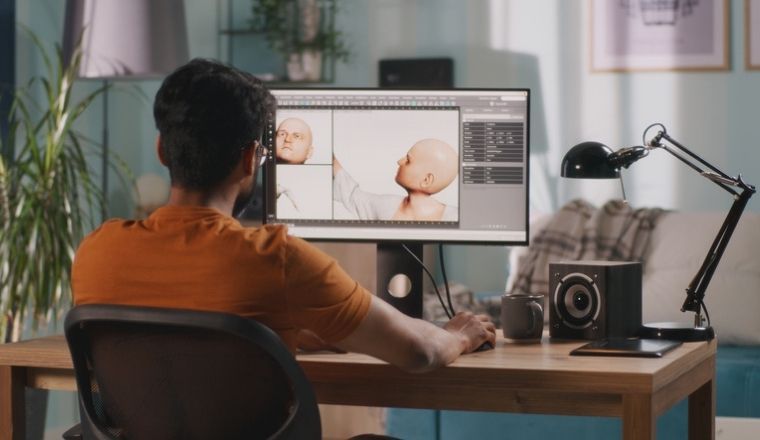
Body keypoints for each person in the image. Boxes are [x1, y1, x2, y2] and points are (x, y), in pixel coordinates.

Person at [71, 58, 495, 374]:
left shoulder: (95, 253)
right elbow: (418, 352)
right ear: (251, 159)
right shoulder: (277, 259)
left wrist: (287, 330)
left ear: (162, 150)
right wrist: (459, 333)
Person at [334, 138, 459, 221]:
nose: (399, 161)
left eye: (408, 160)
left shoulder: (455, 218)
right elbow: (352, 196)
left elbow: (352, 196)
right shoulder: (386, 206)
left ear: (426, 180)